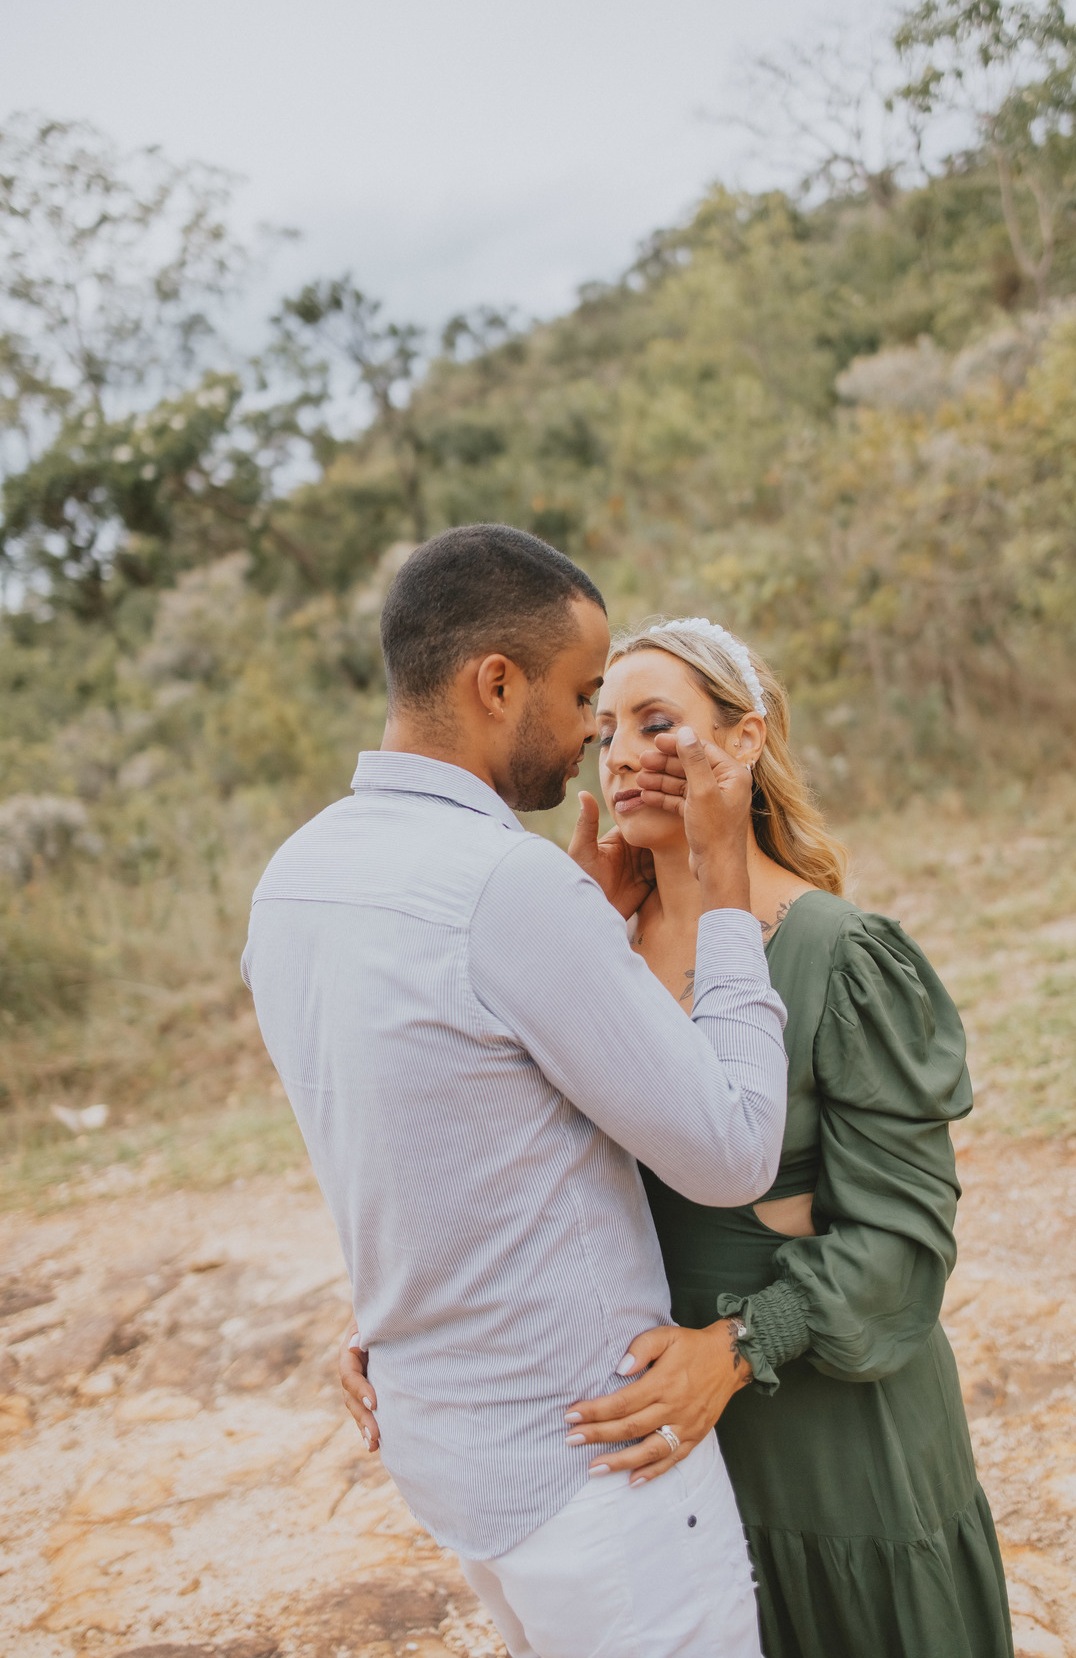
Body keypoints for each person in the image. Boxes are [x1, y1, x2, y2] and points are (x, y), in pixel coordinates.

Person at [343, 614, 1014, 1658]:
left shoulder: (841, 957)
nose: (621, 754)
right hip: (655, 1464)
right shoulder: (582, 955)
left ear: (745, 740)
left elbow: (904, 1240)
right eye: (605, 726)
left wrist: (737, 1350)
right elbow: (497, 1171)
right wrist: (392, 1320)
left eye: (658, 722)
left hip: (837, 1445)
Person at [241, 526, 791, 1658]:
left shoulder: (291, 882)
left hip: (451, 1460)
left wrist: (577, 943)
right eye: (585, 694)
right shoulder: (505, 885)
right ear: (496, 684)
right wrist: (725, 892)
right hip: (602, 1472)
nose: (598, 731)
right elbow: (735, 1150)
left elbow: (419, 1129)